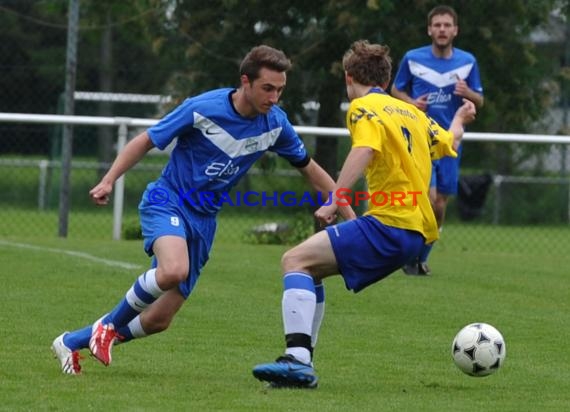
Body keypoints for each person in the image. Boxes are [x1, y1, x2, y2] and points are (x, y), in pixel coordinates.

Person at [51, 44, 356, 375]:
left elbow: (310, 169)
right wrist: (109, 179)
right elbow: (146, 141)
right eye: (267, 88)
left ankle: (72, 341)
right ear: (245, 82)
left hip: (205, 220)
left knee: (158, 320)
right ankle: (107, 328)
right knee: (173, 270)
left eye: (280, 90)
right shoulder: (202, 108)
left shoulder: (275, 124)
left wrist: (350, 219)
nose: (274, 97)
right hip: (167, 200)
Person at [251, 40, 476, 388]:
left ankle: (297, 360)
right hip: (414, 235)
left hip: (389, 224)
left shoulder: (362, 107)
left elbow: (365, 149)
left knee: (293, 260)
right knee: (310, 271)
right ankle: (300, 365)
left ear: (348, 77)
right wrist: (461, 117)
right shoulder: (414, 114)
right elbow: (450, 143)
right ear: (386, 81)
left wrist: (334, 200)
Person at [391, 5, 484, 275]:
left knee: (440, 204)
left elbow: (479, 100)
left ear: (455, 30)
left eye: (447, 25)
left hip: (452, 140)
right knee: (427, 199)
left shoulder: (467, 62)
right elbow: (396, 89)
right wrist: (411, 103)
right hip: (420, 138)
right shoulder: (412, 58)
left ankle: (421, 257)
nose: (442, 29)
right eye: (437, 25)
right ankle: (410, 256)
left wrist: (468, 93)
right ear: (429, 29)